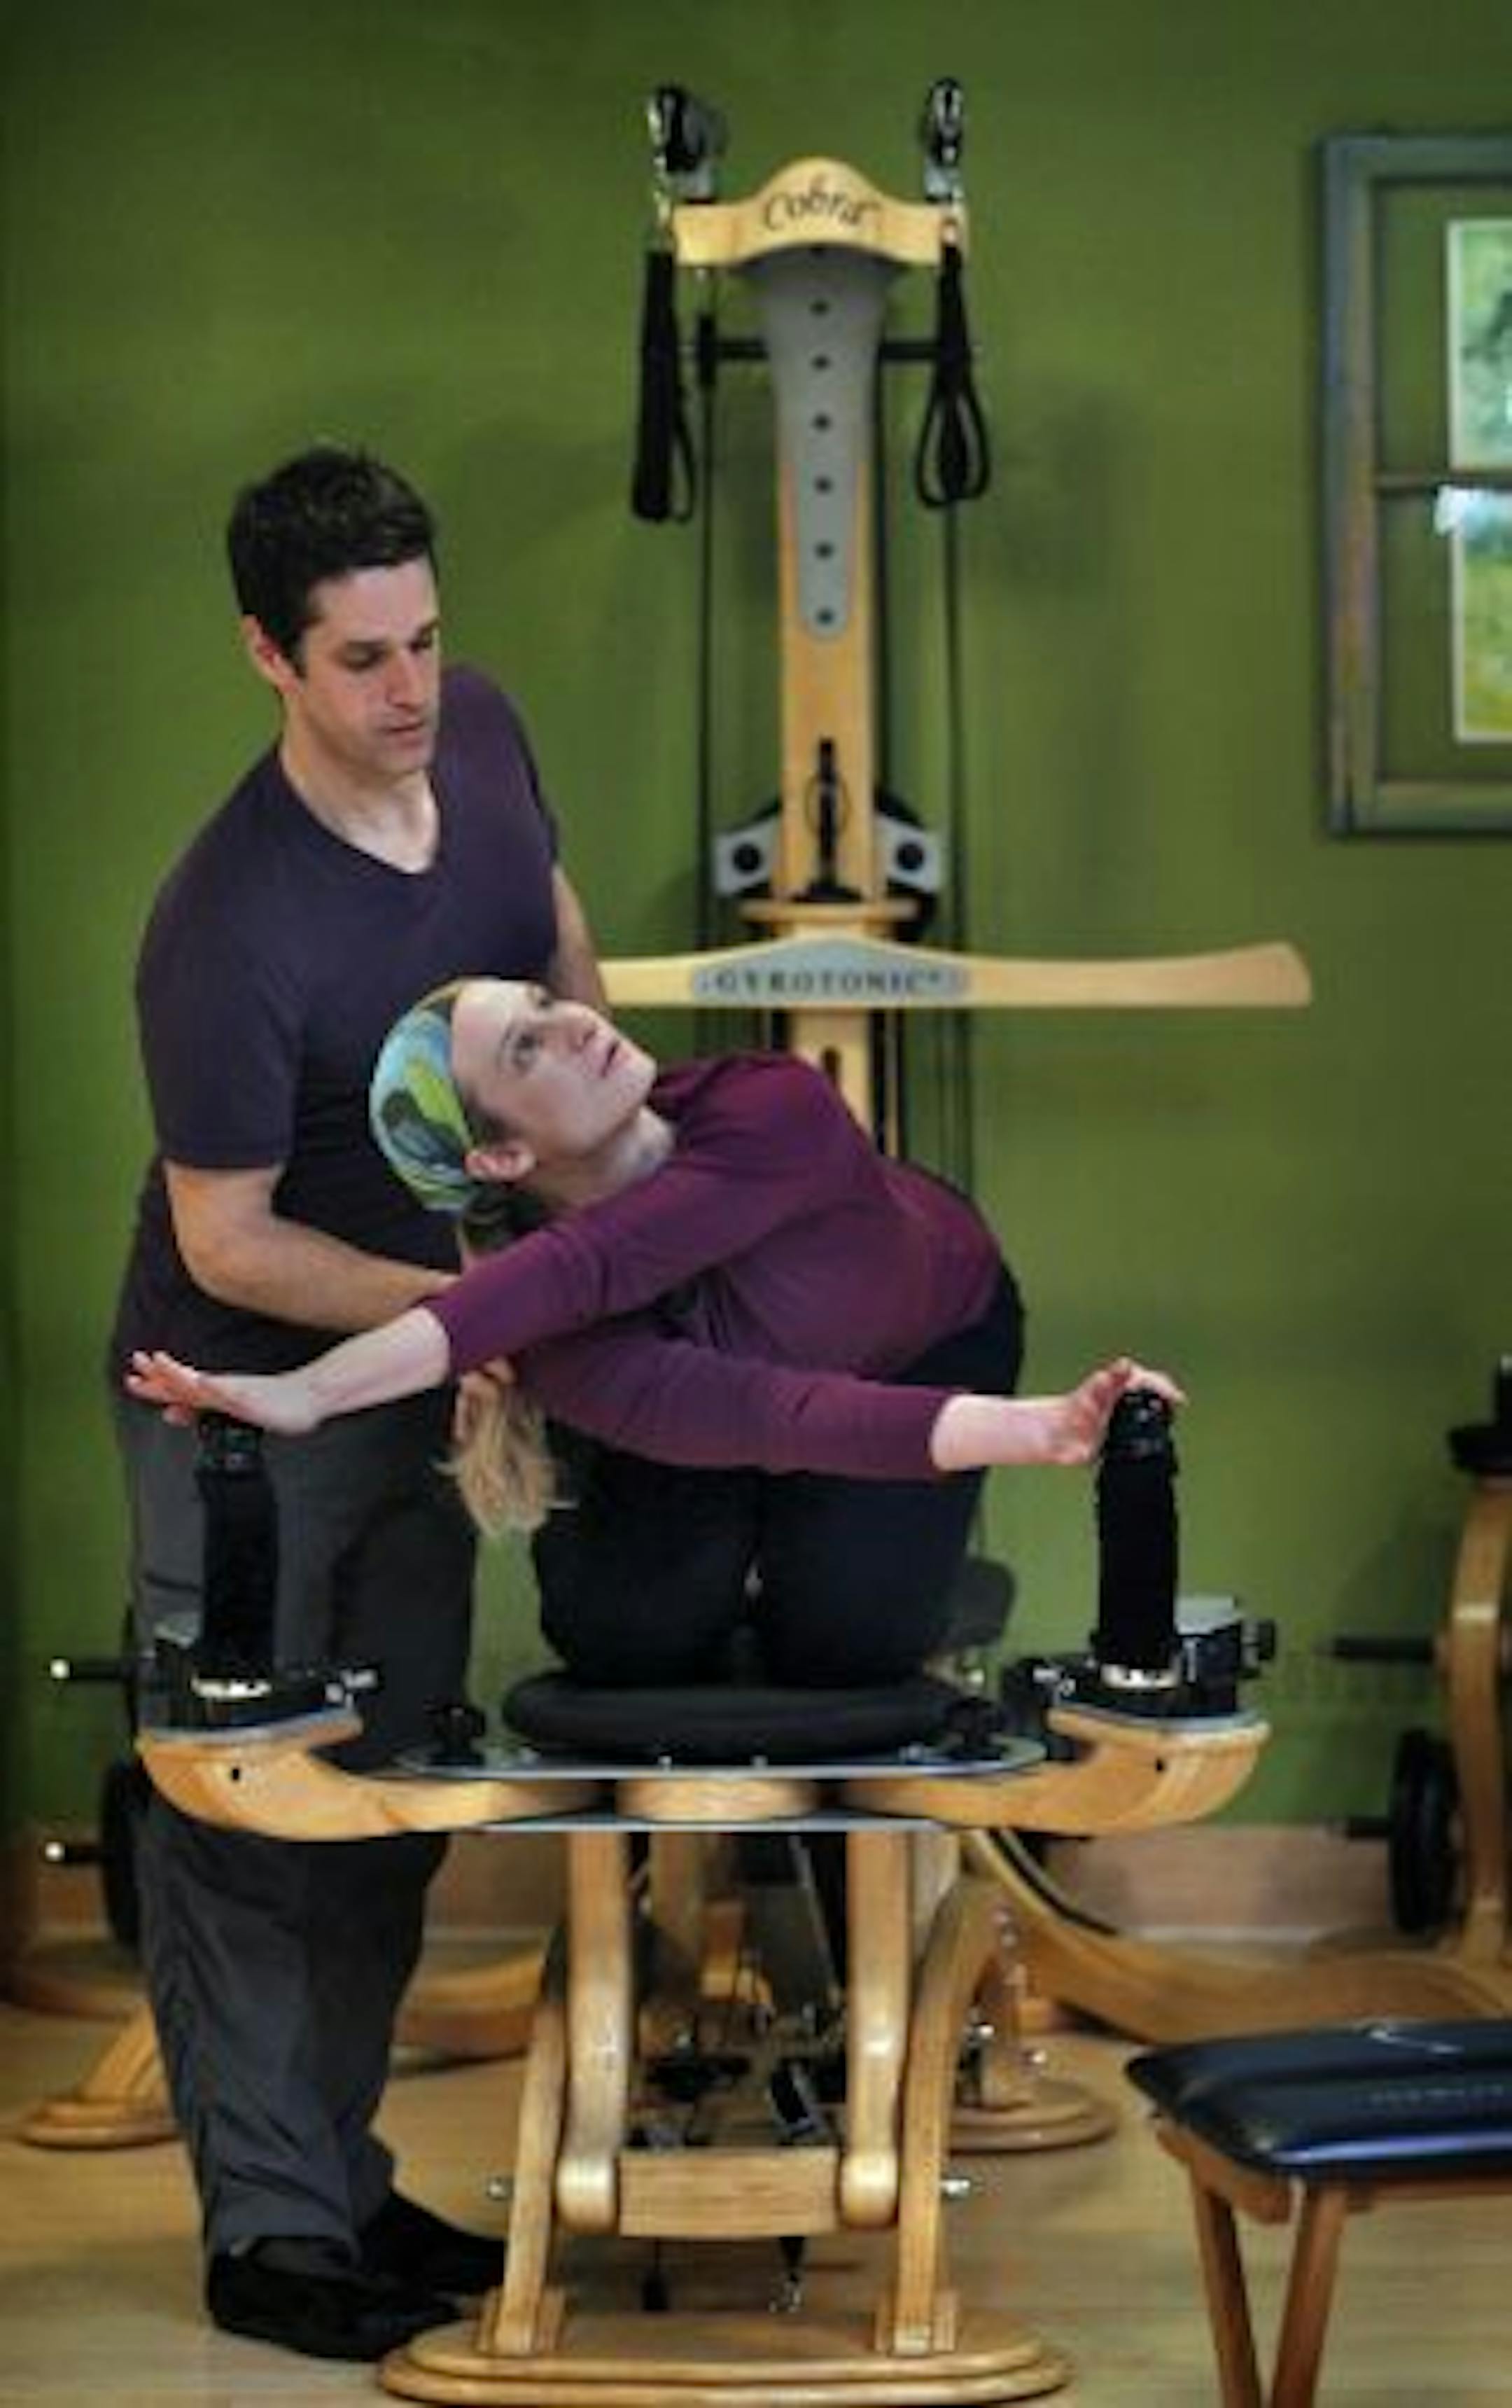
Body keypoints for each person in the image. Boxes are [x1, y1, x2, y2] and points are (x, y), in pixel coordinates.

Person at [108, 450, 605, 2362]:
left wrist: (594, 1179)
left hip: (422, 1367)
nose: (410, 691)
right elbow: (228, 1242)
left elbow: (551, 937)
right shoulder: (228, 924)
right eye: (360, 661)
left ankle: (339, 2173)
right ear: (268, 657)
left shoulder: (474, 735)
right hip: (236, 1404)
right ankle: (270, 2242)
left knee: (394, 1790)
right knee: (249, 1816)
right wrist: (483, 1307)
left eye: (424, 639)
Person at [128, 976, 1182, 1692]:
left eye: (549, 1002)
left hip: (923, 1331)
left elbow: (776, 1388)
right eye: (527, 1047)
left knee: (850, 1644)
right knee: (625, 1641)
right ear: (496, 1159)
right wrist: (304, 1396)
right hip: (740, 1390)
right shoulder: (562, 1336)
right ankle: (743, 1535)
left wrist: (1042, 1427)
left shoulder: (774, 1107)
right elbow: (764, 1405)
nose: (578, 1022)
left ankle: (809, 1554)